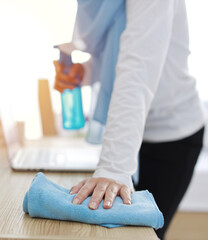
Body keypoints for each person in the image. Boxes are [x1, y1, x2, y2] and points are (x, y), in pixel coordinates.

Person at [54, 1, 205, 239]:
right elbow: (115, 55)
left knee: (144, 234)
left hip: (172, 134)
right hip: (135, 131)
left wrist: (113, 168)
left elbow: (138, 69)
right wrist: (85, 72)